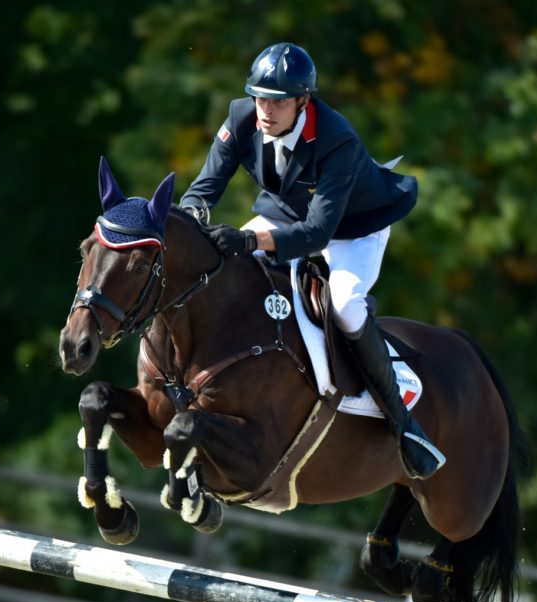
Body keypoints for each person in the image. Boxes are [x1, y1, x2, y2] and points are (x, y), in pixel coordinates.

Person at [179, 42, 444, 480]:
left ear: (303, 100)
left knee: (344, 305)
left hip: (353, 228)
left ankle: (403, 423)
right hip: (285, 212)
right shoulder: (240, 117)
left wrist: (248, 241)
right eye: (260, 97)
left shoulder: (335, 139)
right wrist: (191, 222)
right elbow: (203, 189)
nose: (266, 109)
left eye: (279, 101)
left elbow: (318, 233)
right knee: (229, 276)